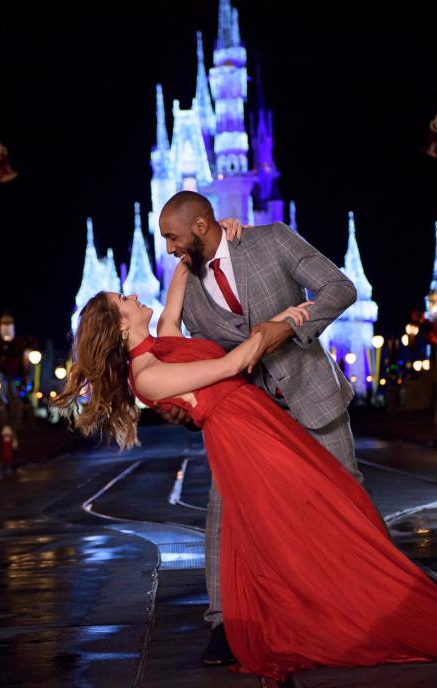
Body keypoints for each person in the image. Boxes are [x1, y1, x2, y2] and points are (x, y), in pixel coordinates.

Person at [52, 265, 437, 685]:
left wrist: (189, 253)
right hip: (248, 444)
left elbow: (171, 310)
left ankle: (366, 598)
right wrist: (280, 322)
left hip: (263, 426)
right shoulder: (148, 376)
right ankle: (357, 611)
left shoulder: (160, 347)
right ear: (121, 328)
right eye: (123, 300)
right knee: (319, 515)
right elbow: (231, 365)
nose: (132, 294)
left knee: (339, 502)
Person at [157, 191, 368, 665]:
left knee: (346, 501)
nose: (168, 248)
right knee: (224, 513)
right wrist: (184, 406)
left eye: (172, 236)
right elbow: (202, 362)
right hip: (249, 416)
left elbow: (340, 288)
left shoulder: (270, 240)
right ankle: (226, 623)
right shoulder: (185, 287)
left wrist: (287, 327)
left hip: (312, 396)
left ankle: (370, 601)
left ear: (201, 227)